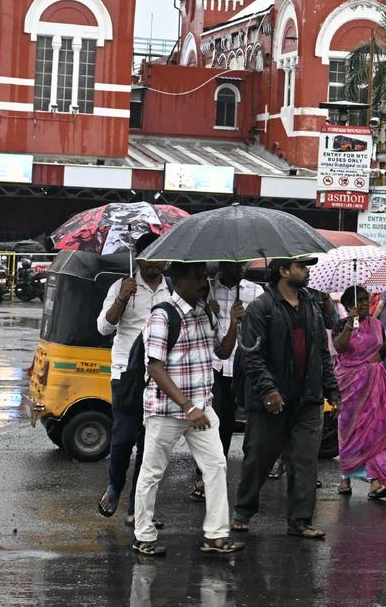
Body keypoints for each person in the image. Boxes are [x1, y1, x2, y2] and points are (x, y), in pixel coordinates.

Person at [131, 261, 244, 556]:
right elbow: (155, 368)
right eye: (197, 278)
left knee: (217, 467)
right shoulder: (163, 315)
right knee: (152, 472)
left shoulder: (205, 311)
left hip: (202, 408)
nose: (203, 283)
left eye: (204, 278)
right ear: (179, 280)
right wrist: (187, 406)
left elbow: (222, 351)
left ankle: (216, 536)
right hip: (167, 410)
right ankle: (143, 535)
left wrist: (234, 322)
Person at [232, 257, 339, 540]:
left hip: (308, 398)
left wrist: (332, 390)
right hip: (271, 401)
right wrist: (268, 390)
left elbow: (322, 354)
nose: (307, 271)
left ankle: (300, 521)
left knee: (305, 461)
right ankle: (243, 511)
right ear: (283, 271)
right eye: (301, 266)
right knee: (258, 458)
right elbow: (251, 355)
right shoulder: (261, 308)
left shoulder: (311, 306)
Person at [96, 232, 171, 525]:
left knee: (150, 444)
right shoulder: (122, 285)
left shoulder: (172, 291)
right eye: (149, 257)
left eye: (160, 257)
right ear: (138, 258)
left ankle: (136, 508)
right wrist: (121, 298)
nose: (155, 263)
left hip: (160, 375)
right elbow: (104, 327)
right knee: (123, 439)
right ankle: (115, 485)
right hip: (126, 373)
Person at [188, 261, 262, 502]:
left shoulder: (254, 291)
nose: (240, 267)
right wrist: (206, 309)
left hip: (239, 366)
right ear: (223, 262)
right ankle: (202, 474)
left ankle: (215, 471)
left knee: (228, 421)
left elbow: (262, 325)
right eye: (235, 263)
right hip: (211, 365)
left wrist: (244, 317)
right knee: (210, 420)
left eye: (243, 263)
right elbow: (191, 319)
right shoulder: (206, 289)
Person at [334, 286, 386, 499]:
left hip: (375, 385)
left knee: (377, 431)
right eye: (360, 300)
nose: (364, 303)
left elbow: (380, 352)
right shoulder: (341, 325)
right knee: (349, 430)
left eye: (366, 299)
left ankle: (376, 480)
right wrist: (349, 324)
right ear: (348, 306)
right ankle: (346, 476)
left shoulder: (377, 324)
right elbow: (340, 347)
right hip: (351, 385)